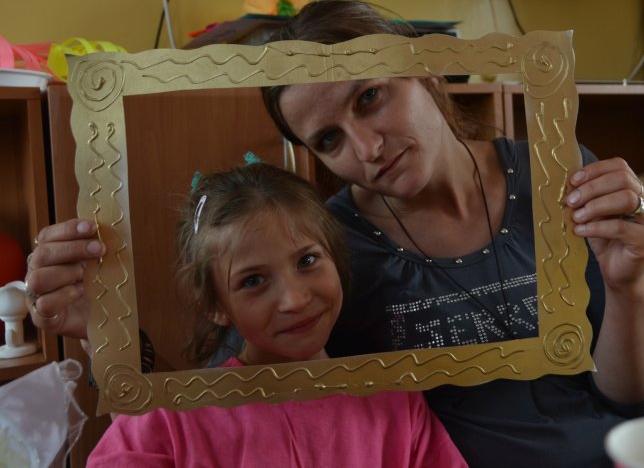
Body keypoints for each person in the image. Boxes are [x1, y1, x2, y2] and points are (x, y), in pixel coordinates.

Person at [26, 0, 644, 467]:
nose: (367, 149)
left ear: (426, 70)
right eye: (329, 140)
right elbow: (227, 408)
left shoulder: (558, 174)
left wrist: (628, 286)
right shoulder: (322, 251)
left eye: (369, 97)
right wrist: (107, 335)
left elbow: (638, 398)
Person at [86, 160, 467, 467]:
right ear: (215, 306)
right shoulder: (167, 418)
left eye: (307, 260)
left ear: (335, 257)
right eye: (253, 281)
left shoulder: (396, 405)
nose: (294, 300)